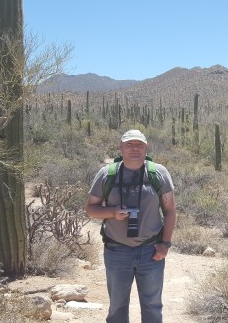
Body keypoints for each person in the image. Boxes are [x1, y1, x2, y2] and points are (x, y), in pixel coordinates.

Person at [86, 129, 176, 323]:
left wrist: (165, 244)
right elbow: (91, 209)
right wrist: (111, 212)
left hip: (151, 251)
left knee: (152, 306)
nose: (134, 149)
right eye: (129, 145)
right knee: (117, 307)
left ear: (146, 148)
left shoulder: (158, 173)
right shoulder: (107, 174)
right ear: (121, 148)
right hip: (117, 250)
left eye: (139, 145)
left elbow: (170, 211)